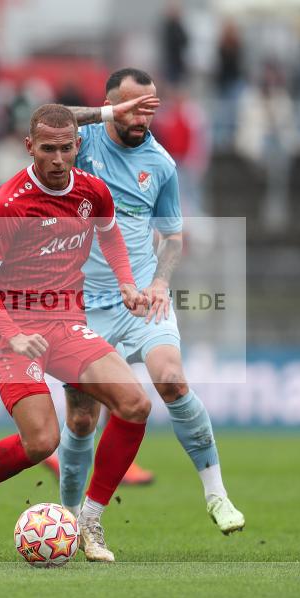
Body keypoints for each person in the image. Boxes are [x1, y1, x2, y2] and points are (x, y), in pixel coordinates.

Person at [0, 104, 152, 563]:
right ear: (29, 147)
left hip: (64, 321)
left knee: (134, 404)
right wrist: (13, 335)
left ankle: (90, 521)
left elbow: (110, 236)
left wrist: (127, 283)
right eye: (48, 149)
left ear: (78, 145)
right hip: (8, 328)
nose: (58, 159)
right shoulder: (8, 205)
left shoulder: (93, 192)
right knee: (41, 442)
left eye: (66, 148)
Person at [52, 68, 245, 535]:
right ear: (112, 106)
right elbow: (48, 120)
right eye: (133, 107)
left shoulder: (161, 164)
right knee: (81, 419)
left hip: (140, 297)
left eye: (150, 107)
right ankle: (70, 519)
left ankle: (216, 494)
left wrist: (160, 282)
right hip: (81, 306)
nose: (143, 117)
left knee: (172, 380)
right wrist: (103, 114)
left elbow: (174, 238)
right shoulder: (83, 144)